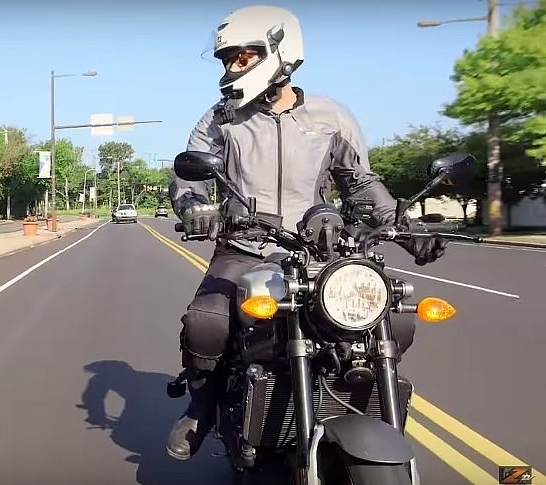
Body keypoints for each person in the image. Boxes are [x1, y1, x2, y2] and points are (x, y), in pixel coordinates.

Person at [165, 5, 447, 461]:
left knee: (386, 316)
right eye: (227, 60)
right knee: (206, 322)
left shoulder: (330, 116)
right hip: (246, 245)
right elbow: (190, 174)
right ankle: (201, 408)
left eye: (243, 56)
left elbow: (360, 183)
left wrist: (405, 225)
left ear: (280, 52)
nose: (233, 68)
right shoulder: (221, 119)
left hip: (318, 250)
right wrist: (196, 207)